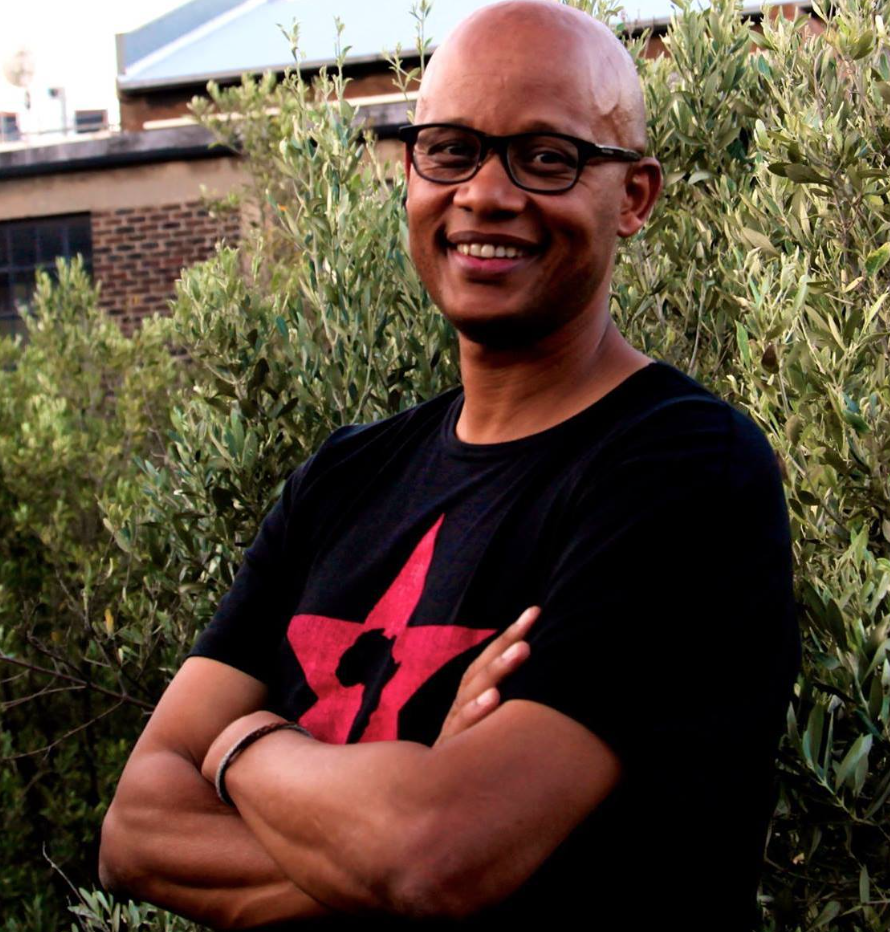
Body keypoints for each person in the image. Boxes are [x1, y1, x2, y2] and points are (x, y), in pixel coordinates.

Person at [98, 2, 799, 929]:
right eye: (451, 150)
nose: (486, 194)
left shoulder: (688, 475)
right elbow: (135, 832)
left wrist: (239, 746)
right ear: (410, 174)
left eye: (545, 157)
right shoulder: (341, 481)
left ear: (634, 196)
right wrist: (392, 821)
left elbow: (437, 856)